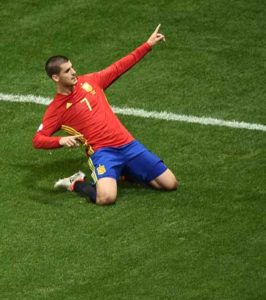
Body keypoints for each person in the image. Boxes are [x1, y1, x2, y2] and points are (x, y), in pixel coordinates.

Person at [32, 24, 178, 205]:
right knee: (106, 198)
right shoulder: (56, 110)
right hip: (103, 153)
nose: (74, 72)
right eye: (67, 71)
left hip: (127, 143)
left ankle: (123, 172)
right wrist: (60, 141)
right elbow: (38, 140)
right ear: (56, 78)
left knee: (169, 184)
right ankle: (76, 182)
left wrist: (147, 45)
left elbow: (118, 67)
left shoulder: (91, 81)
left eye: (72, 67)